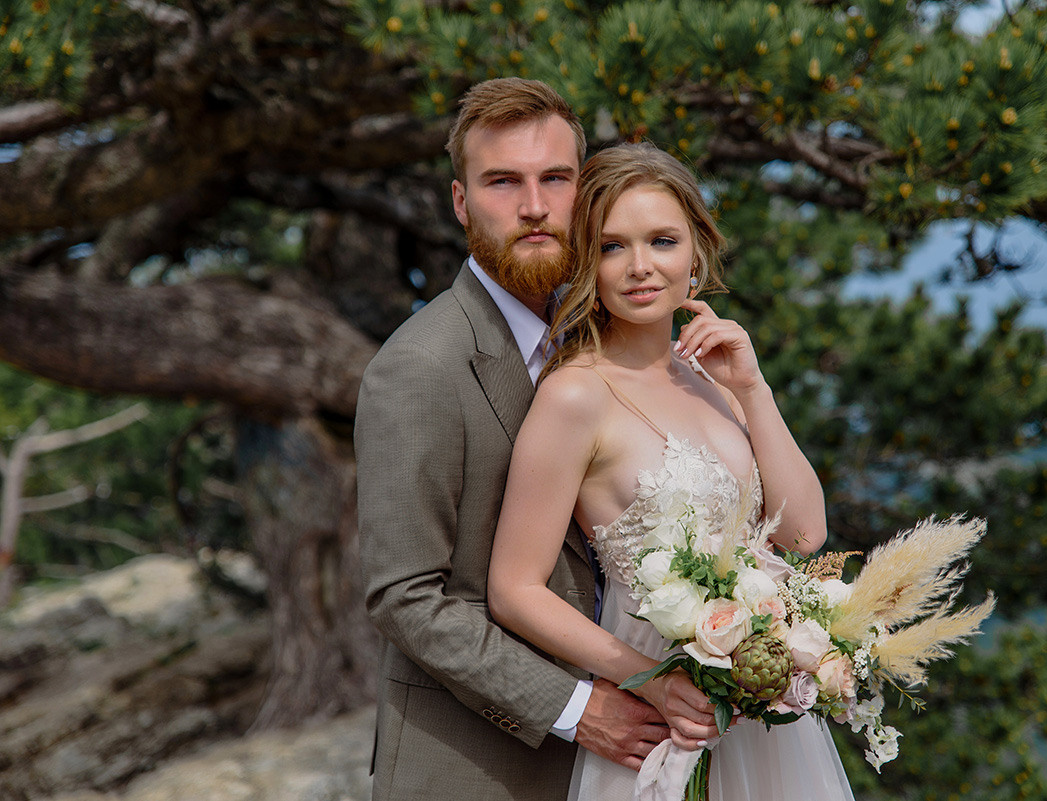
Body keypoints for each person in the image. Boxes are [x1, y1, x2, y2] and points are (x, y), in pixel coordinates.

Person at [488, 142, 857, 800]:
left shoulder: (710, 378)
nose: (640, 268)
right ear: (585, 261)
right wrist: (650, 679)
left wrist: (753, 387)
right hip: (659, 706)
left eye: (661, 240)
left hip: (760, 706)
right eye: (611, 246)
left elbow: (802, 534)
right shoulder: (575, 396)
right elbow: (514, 588)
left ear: (696, 252)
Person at [355, 79, 672, 801]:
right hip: (475, 770)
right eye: (503, 182)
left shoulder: (612, 339)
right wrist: (576, 708)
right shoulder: (419, 367)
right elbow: (406, 595)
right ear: (462, 201)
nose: (533, 206)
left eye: (554, 178)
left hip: (637, 765)